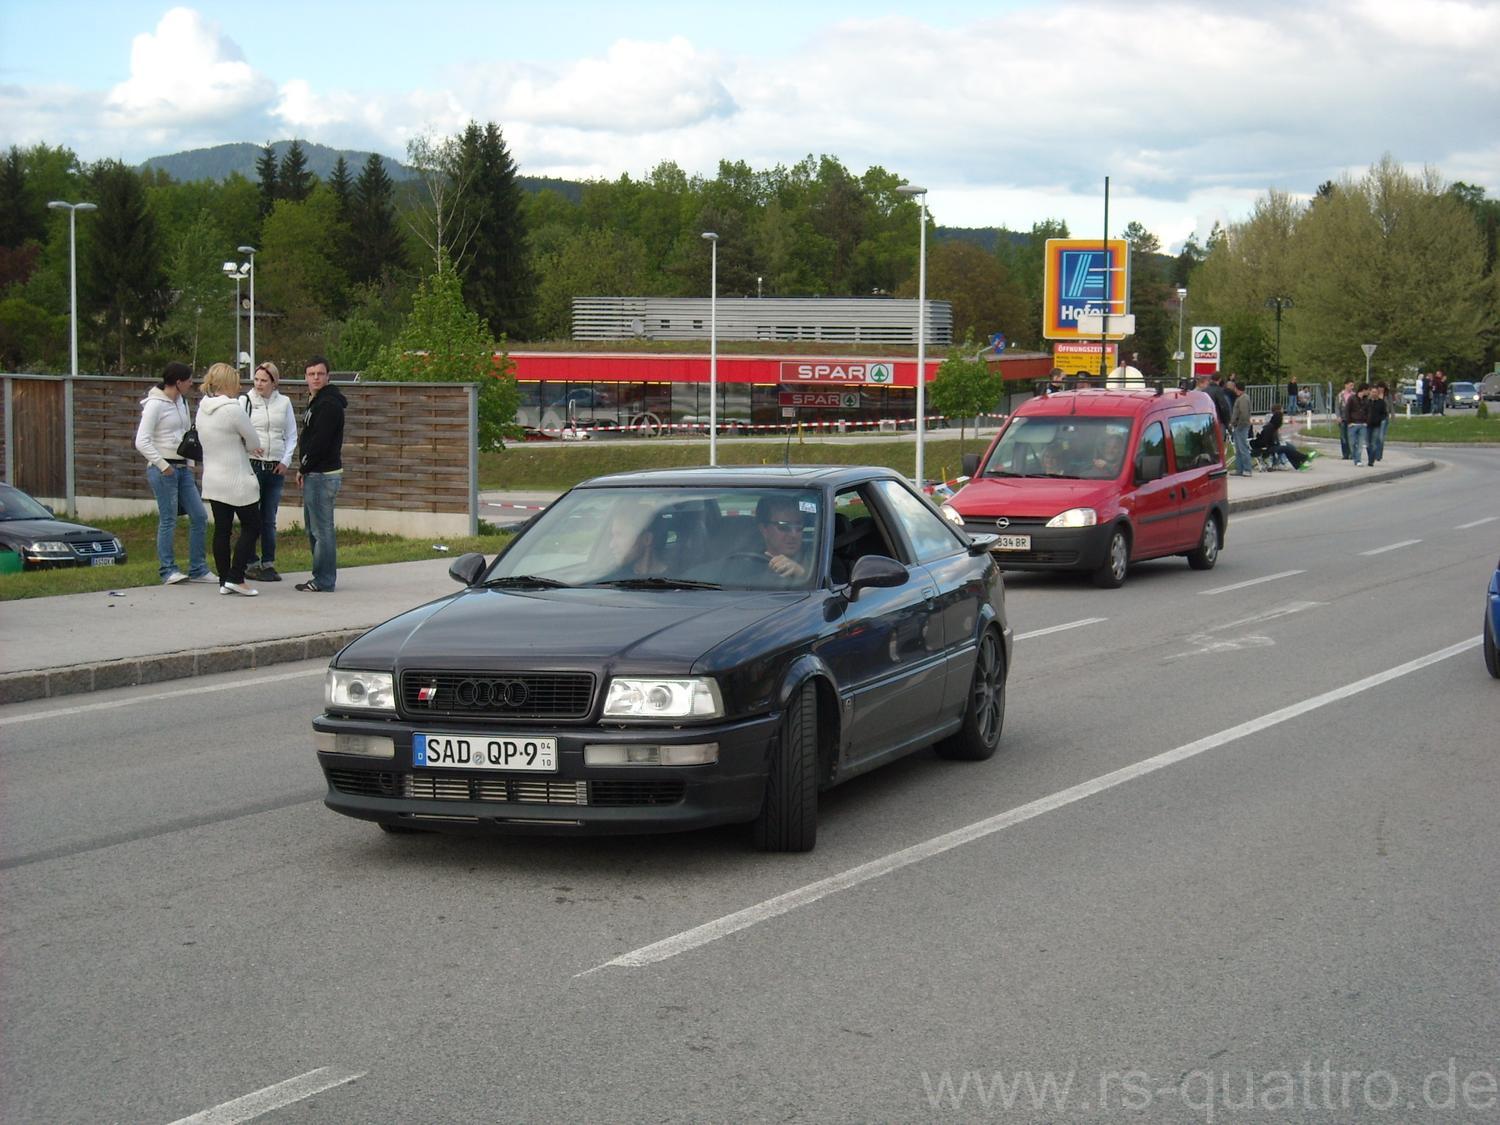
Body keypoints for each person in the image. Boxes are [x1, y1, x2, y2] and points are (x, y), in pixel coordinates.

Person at [133, 361, 212, 585]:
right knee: (168, 519)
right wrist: (162, 465)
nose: (191, 384)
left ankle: (198, 568)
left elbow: (184, 434)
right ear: (178, 382)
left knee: (199, 516)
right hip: (164, 469)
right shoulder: (155, 405)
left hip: (182, 468)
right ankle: (168, 569)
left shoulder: (182, 403)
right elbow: (142, 441)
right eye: (188, 380)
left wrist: (188, 461)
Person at [196, 362, 265, 596]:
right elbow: (254, 441)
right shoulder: (232, 409)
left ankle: (224, 579)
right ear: (228, 383)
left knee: (222, 530)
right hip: (236, 479)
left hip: (213, 478)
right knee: (253, 525)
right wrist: (248, 448)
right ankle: (237, 576)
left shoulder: (202, 409)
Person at [240, 362, 298, 582]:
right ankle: (250, 561)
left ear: (274, 382)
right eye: (256, 380)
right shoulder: (245, 401)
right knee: (251, 515)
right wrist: (249, 446)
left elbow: (291, 434)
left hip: (275, 466)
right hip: (253, 464)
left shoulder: (284, 403)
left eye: (264, 380)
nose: (259, 384)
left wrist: (286, 460)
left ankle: (269, 562)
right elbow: (238, 431)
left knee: (269, 518)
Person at [296, 356, 346, 592]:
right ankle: (320, 576)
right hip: (313, 473)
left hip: (323, 475)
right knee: (313, 528)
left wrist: (304, 465)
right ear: (305, 377)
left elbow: (320, 442)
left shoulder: (329, 405)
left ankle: (324, 579)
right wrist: (303, 469)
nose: (315, 377)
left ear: (328, 376)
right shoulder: (316, 401)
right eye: (311, 373)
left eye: (320, 373)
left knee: (322, 529)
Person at [755, 494, 811, 582]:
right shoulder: (748, 562)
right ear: (764, 530)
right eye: (784, 527)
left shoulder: (819, 559)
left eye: (798, 526)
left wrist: (803, 575)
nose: (794, 534)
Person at [1228, 377, 1253, 476]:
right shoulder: (1242, 398)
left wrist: (1238, 423)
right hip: (1239, 426)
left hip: (1241, 426)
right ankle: (1239, 469)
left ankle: (1247, 469)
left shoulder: (1243, 399)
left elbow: (1244, 413)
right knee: (1238, 449)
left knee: (1242, 448)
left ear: (1237, 389)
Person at [1346, 383, 1372, 466]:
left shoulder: (1367, 400)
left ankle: (1358, 460)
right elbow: (1347, 410)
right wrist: (1349, 422)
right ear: (1363, 390)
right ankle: (1355, 457)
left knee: (1360, 444)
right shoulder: (1352, 398)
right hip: (1353, 424)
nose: (1369, 392)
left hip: (1363, 424)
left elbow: (1369, 412)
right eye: (1368, 390)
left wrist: (1367, 422)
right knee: (1352, 443)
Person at [1367, 382, 1390, 465]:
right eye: (1372, 392)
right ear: (1370, 392)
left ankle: (1372, 460)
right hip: (1367, 425)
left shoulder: (1381, 402)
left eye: (1375, 392)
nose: (1374, 393)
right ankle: (1371, 456)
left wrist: (1380, 419)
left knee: (1375, 441)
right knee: (1368, 444)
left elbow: (1385, 413)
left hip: (1377, 425)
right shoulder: (1367, 402)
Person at [1336, 379, 1356, 457]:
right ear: (1346, 385)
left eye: (1352, 386)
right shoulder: (1340, 395)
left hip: (1351, 419)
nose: (1352, 387)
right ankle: (1345, 454)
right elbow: (1337, 407)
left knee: (1350, 437)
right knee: (1343, 437)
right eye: (1350, 385)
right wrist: (1338, 417)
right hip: (1343, 418)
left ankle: (1351, 453)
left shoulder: (1354, 395)